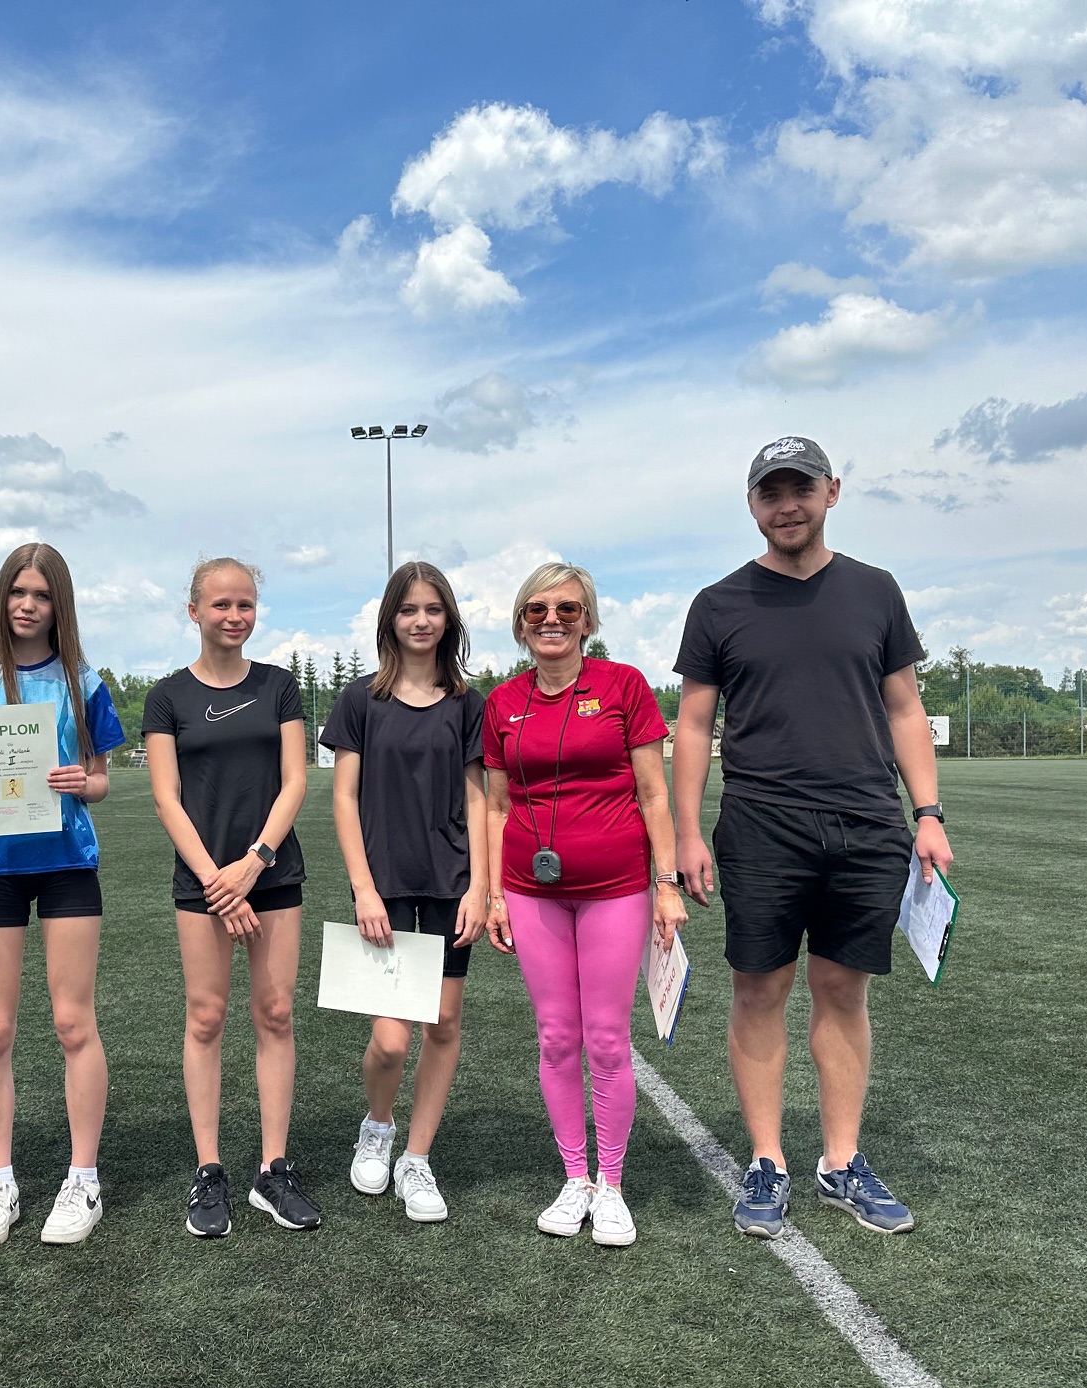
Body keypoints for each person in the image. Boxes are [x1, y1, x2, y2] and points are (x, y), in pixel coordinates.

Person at [672, 436, 953, 1240]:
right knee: (760, 990)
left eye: (800, 489)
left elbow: (904, 707)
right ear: (752, 505)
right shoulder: (719, 603)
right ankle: (767, 1160)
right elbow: (693, 725)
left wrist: (928, 813)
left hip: (867, 824)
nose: (786, 506)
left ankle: (841, 1160)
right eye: (770, 493)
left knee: (842, 990)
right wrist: (686, 834)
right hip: (761, 826)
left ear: (832, 491)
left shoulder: (875, 590)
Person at [0, 544, 126, 1247]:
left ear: (58, 604)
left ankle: (83, 1179)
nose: (28, 605)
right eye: (18, 592)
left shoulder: (83, 681)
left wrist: (83, 783)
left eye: (41, 594)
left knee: (74, 1023)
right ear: (1, 598)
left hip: (67, 862)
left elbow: (101, 779)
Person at [483, 562, 684, 1245]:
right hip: (529, 888)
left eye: (567, 609)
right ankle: (575, 1178)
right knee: (556, 1036)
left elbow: (653, 793)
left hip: (616, 887)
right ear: (520, 624)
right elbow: (497, 806)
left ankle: (613, 1184)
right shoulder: (502, 702)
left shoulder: (623, 685)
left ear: (588, 621)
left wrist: (666, 883)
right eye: (537, 610)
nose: (552, 621)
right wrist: (493, 895)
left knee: (605, 1037)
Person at [142, 558, 316, 1238]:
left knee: (275, 1013)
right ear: (194, 611)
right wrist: (219, 880)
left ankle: (274, 1170)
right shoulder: (167, 696)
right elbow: (166, 797)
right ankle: (208, 1170)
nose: (234, 615)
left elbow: (296, 781)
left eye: (245, 604)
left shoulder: (278, 686)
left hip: (272, 875)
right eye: (220, 604)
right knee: (207, 1018)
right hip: (204, 880)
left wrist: (254, 863)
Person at [324, 562, 487, 1223]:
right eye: (409, 609)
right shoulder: (361, 700)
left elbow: (478, 798)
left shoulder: (468, 703)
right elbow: (343, 798)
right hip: (383, 886)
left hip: (451, 883)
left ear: (449, 620)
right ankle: (379, 1126)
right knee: (391, 1041)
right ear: (390, 619)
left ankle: (417, 1159)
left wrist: (480, 886)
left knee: (442, 1024)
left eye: (433, 609)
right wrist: (362, 887)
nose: (421, 621)